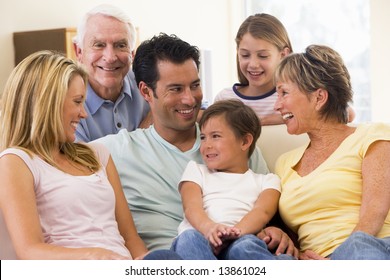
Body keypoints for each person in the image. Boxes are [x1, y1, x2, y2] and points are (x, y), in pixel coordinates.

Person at [94, 33, 297, 256]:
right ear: (146, 92)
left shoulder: (237, 144)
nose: (190, 99)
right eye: (176, 89)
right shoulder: (115, 150)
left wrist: (277, 232)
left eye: (195, 85)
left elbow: (263, 209)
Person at [0, 50, 180, 260]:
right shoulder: (16, 162)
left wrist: (147, 264)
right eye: (77, 102)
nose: (84, 114)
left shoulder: (98, 155)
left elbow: (130, 239)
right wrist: (95, 256)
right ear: (47, 103)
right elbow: (30, 250)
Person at [274, 44, 390, 259]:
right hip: (318, 263)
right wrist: (298, 255)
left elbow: (373, 214)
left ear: (319, 98)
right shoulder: (284, 163)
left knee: (358, 245)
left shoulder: (373, 136)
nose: (276, 105)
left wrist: (334, 263)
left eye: (284, 93)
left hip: (373, 250)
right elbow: (290, 236)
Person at [171, 99, 295, 260]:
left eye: (215, 136)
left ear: (245, 141)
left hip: (239, 239)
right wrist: (210, 229)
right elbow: (191, 208)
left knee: (246, 245)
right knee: (189, 239)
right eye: (203, 137)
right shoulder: (196, 170)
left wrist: (234, 234)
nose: (206, 145)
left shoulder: (267, 181)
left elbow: (262, 212)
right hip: (200, 238)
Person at [73, 4, 150, 142]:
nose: (110, 57)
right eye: (99, 45)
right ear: (79, 51)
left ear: (132, 53)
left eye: (120, 45)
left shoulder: (147, 81)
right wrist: (143, 134)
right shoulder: (63, 101)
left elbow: (191, 108)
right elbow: (81, 161)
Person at [214, 13, 292, 125]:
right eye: (245, 55)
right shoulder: (225, 98)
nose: (253, 64)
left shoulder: (293, 99)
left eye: (263, 56)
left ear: (283, 55)